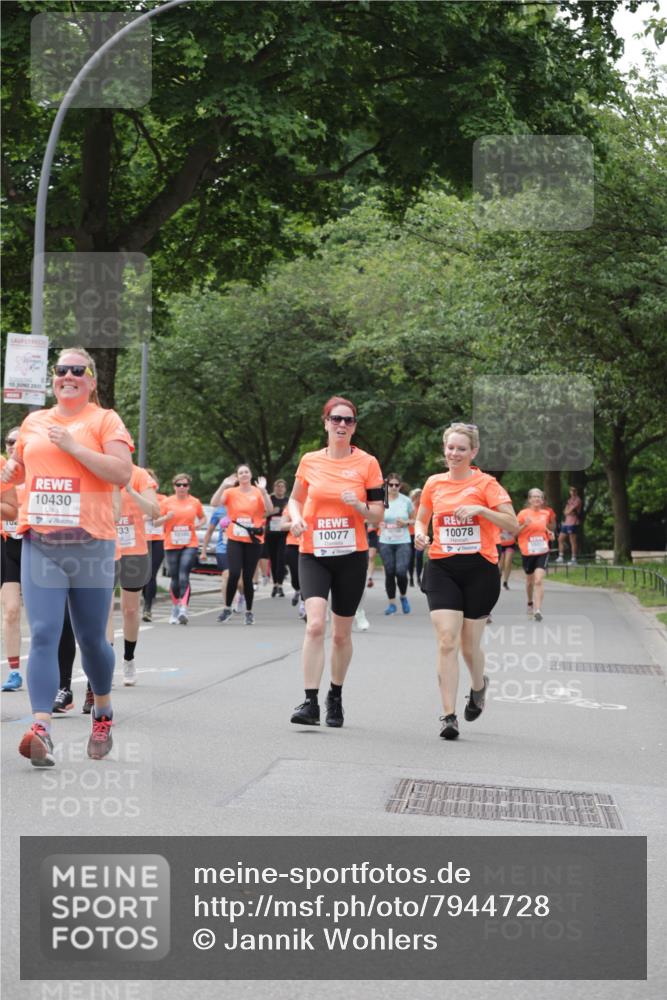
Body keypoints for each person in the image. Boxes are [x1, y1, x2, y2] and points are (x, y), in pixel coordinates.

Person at [1, 347, 133, 766]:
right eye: (62, 370)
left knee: (92, 639)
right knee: (42, 632)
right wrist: (10, 471)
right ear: (53, 379)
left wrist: (75, 447)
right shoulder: (34, 421)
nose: (69, 375)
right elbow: (22, 468)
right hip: (41, 541)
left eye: (79, 370)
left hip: (91, 544)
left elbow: (121, 472)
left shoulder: (104, 420)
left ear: (91, 381)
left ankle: (104, 710)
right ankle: (42, 727)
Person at [414, 423, 518, 741]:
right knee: (447, 640)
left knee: (469, 647)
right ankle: (448, 716)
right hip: (442, 567)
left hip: (480, 570)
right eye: (450, 448)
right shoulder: (434, 483)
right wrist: (420, 532)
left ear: (473, 452)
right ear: (444, 449)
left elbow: (513, 523)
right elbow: (422, 517)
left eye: (461, 448)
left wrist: (481, 510)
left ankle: (478, 687)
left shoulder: (487, 484)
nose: (454, 453)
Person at [287, 396, 384, 727]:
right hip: (314, 552)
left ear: (354, 426)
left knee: (341, 635)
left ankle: (335, 695)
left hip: (351, 555)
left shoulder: (368, 464)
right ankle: (309, 702)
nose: (342, 425)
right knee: (315, 624)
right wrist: (297, 518)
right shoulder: (310, 461)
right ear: (325, 422)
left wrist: (358, 504)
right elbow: (295, 499)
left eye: (349, 420)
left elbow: (377, 514)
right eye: (336, 419)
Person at [211, 465, 273, 626]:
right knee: (233, 573)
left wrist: (265, 492)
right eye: (240, 473)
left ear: (251, 475)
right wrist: (223, 486)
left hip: (253, 539)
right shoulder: (231, 492)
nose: (244, 474)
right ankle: (227, 608)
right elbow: (214, 503)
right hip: (235, 537)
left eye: (246, 472)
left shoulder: (258, 491)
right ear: (237, 477)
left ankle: (249, 611)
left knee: (247, 577)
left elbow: (270, 509)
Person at [114, 465, 160, 681]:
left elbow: (154, 511)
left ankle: (128, 658)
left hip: (134, 551)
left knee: (130, 610)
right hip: (104, 549)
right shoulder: (98, 469)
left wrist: (131, 491)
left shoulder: (139, 475)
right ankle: (105, 665)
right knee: (103, 610)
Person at [162, 473, 206, 624]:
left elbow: (203, 518)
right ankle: (175, 607)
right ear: (174, 486)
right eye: (179, 485)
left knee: (183, 575)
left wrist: (198, 525)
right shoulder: (167, 502)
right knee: (174, 577)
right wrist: (166, 519)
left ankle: (183, 609)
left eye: (185, 485)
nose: (182, 487)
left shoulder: (195, 502)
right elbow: (156, 522)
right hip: (171, 543)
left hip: (190, 543)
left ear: (189, 487)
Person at [1, 428, 22, 691]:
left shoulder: (39, 470)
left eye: (18, 442)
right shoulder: (2, 470)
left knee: (45, 619)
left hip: (36, 545)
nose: (13, 446)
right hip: (8, 543)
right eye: (9, 442)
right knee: (11, 610)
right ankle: (14, 671)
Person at [516, 488, 556, 622]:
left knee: (538, 580)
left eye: (540, 497)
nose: (537, 499)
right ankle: (529, 602)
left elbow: (545, 530)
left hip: (542, 550)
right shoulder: (523, 514)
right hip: (527, 551)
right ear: (529, 499)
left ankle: (538, 610)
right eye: (534, 496)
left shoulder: (546, 513)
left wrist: (550, 535)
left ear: (542, 500)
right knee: (529, 582)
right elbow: (514, 532)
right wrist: (524, 525)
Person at [377, 473, 414, 615]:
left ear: (400, 486)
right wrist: (377, 523)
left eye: (396, 485)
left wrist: (406, 523)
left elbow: (415, 520)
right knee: (390, 572)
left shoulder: (406, 501)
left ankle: (403, 597)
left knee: (401, 572)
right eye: (390, 484)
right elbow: (373, 518)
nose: (393, 487)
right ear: (386, 485)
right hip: (386, 540)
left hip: (403, 540)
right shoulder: (381, 501)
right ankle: (392, 604)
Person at [141, 469, 167, 622]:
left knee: (151, 574)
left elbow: (166, 515)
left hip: (157, 539)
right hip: (141, 540)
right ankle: (147, 599)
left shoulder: (163, 499)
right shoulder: (135, 499)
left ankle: (147, 607)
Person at [199, 501, 231, 604]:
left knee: (240, 581)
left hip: (240, 547)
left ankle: (241, 596)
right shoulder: (219, 511)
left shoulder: (243, 508)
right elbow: (209, 532)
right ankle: (227, 606)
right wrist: (203, 551)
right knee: (226, 575)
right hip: (223, 548)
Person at [267, 479, 289, 597]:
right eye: (277, 486)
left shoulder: (288, 501)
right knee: (273, 560)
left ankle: (280, 585)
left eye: (282, 486)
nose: (279, 488)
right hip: (271, 534)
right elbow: (261, 514)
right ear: (274, 488)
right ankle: (275, 584)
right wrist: (271, 512)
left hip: (283, 534)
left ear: (285, 489)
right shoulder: (270, 499)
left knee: (281, 559)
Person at [556, 485, 582, 564]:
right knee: (560, 539)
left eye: (574, 491)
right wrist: (567, 511)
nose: (572, 492)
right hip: (566, 522)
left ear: (576, 492)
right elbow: (565, 511)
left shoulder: (578, 500)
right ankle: (561, 556)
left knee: (572, 540)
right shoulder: (569, 500)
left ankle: (574, 559)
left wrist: (568, 511)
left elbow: (569, 510)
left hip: (573, 522)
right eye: (571, 491)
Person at [408, 487, 424, 588]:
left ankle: (418, 577)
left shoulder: (423, 507)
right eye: (419, 496)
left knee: (419, 557)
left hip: (420, 535)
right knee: (410, 558)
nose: (420, 498)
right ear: (414, 497)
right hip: (409, 535)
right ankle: (411, 578)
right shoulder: (409, 507)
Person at [497, 526, 516, 590]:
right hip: (500, 544)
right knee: (500, 564)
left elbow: (515, 530)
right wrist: (499, 535)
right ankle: (498, 578)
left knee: (508, 562)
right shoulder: (497, 520)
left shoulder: (510, 519)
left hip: (510, 543)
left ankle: (505, 581)